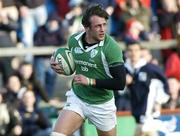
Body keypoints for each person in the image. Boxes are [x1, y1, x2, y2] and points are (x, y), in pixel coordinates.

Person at [50, 4, 126, 136]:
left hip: (101, 104)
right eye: (98, 26)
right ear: (86, 28)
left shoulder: (111, 48)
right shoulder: (74, 41)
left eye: (104, 24)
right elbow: (73, 65)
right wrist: (58, 66)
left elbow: (120, 83)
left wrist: (90, 81)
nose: (103, 29)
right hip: (78, 98)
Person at [124, 41, 169, 136]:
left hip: (149, 115)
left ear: (141, 52)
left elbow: (164, 83)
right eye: (130, 50)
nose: (133, 53)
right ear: (126, 53)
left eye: (136, 50)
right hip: (136, 115)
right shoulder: (124, 70)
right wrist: (122, 83)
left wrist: (159, 101)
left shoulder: (150, 68)